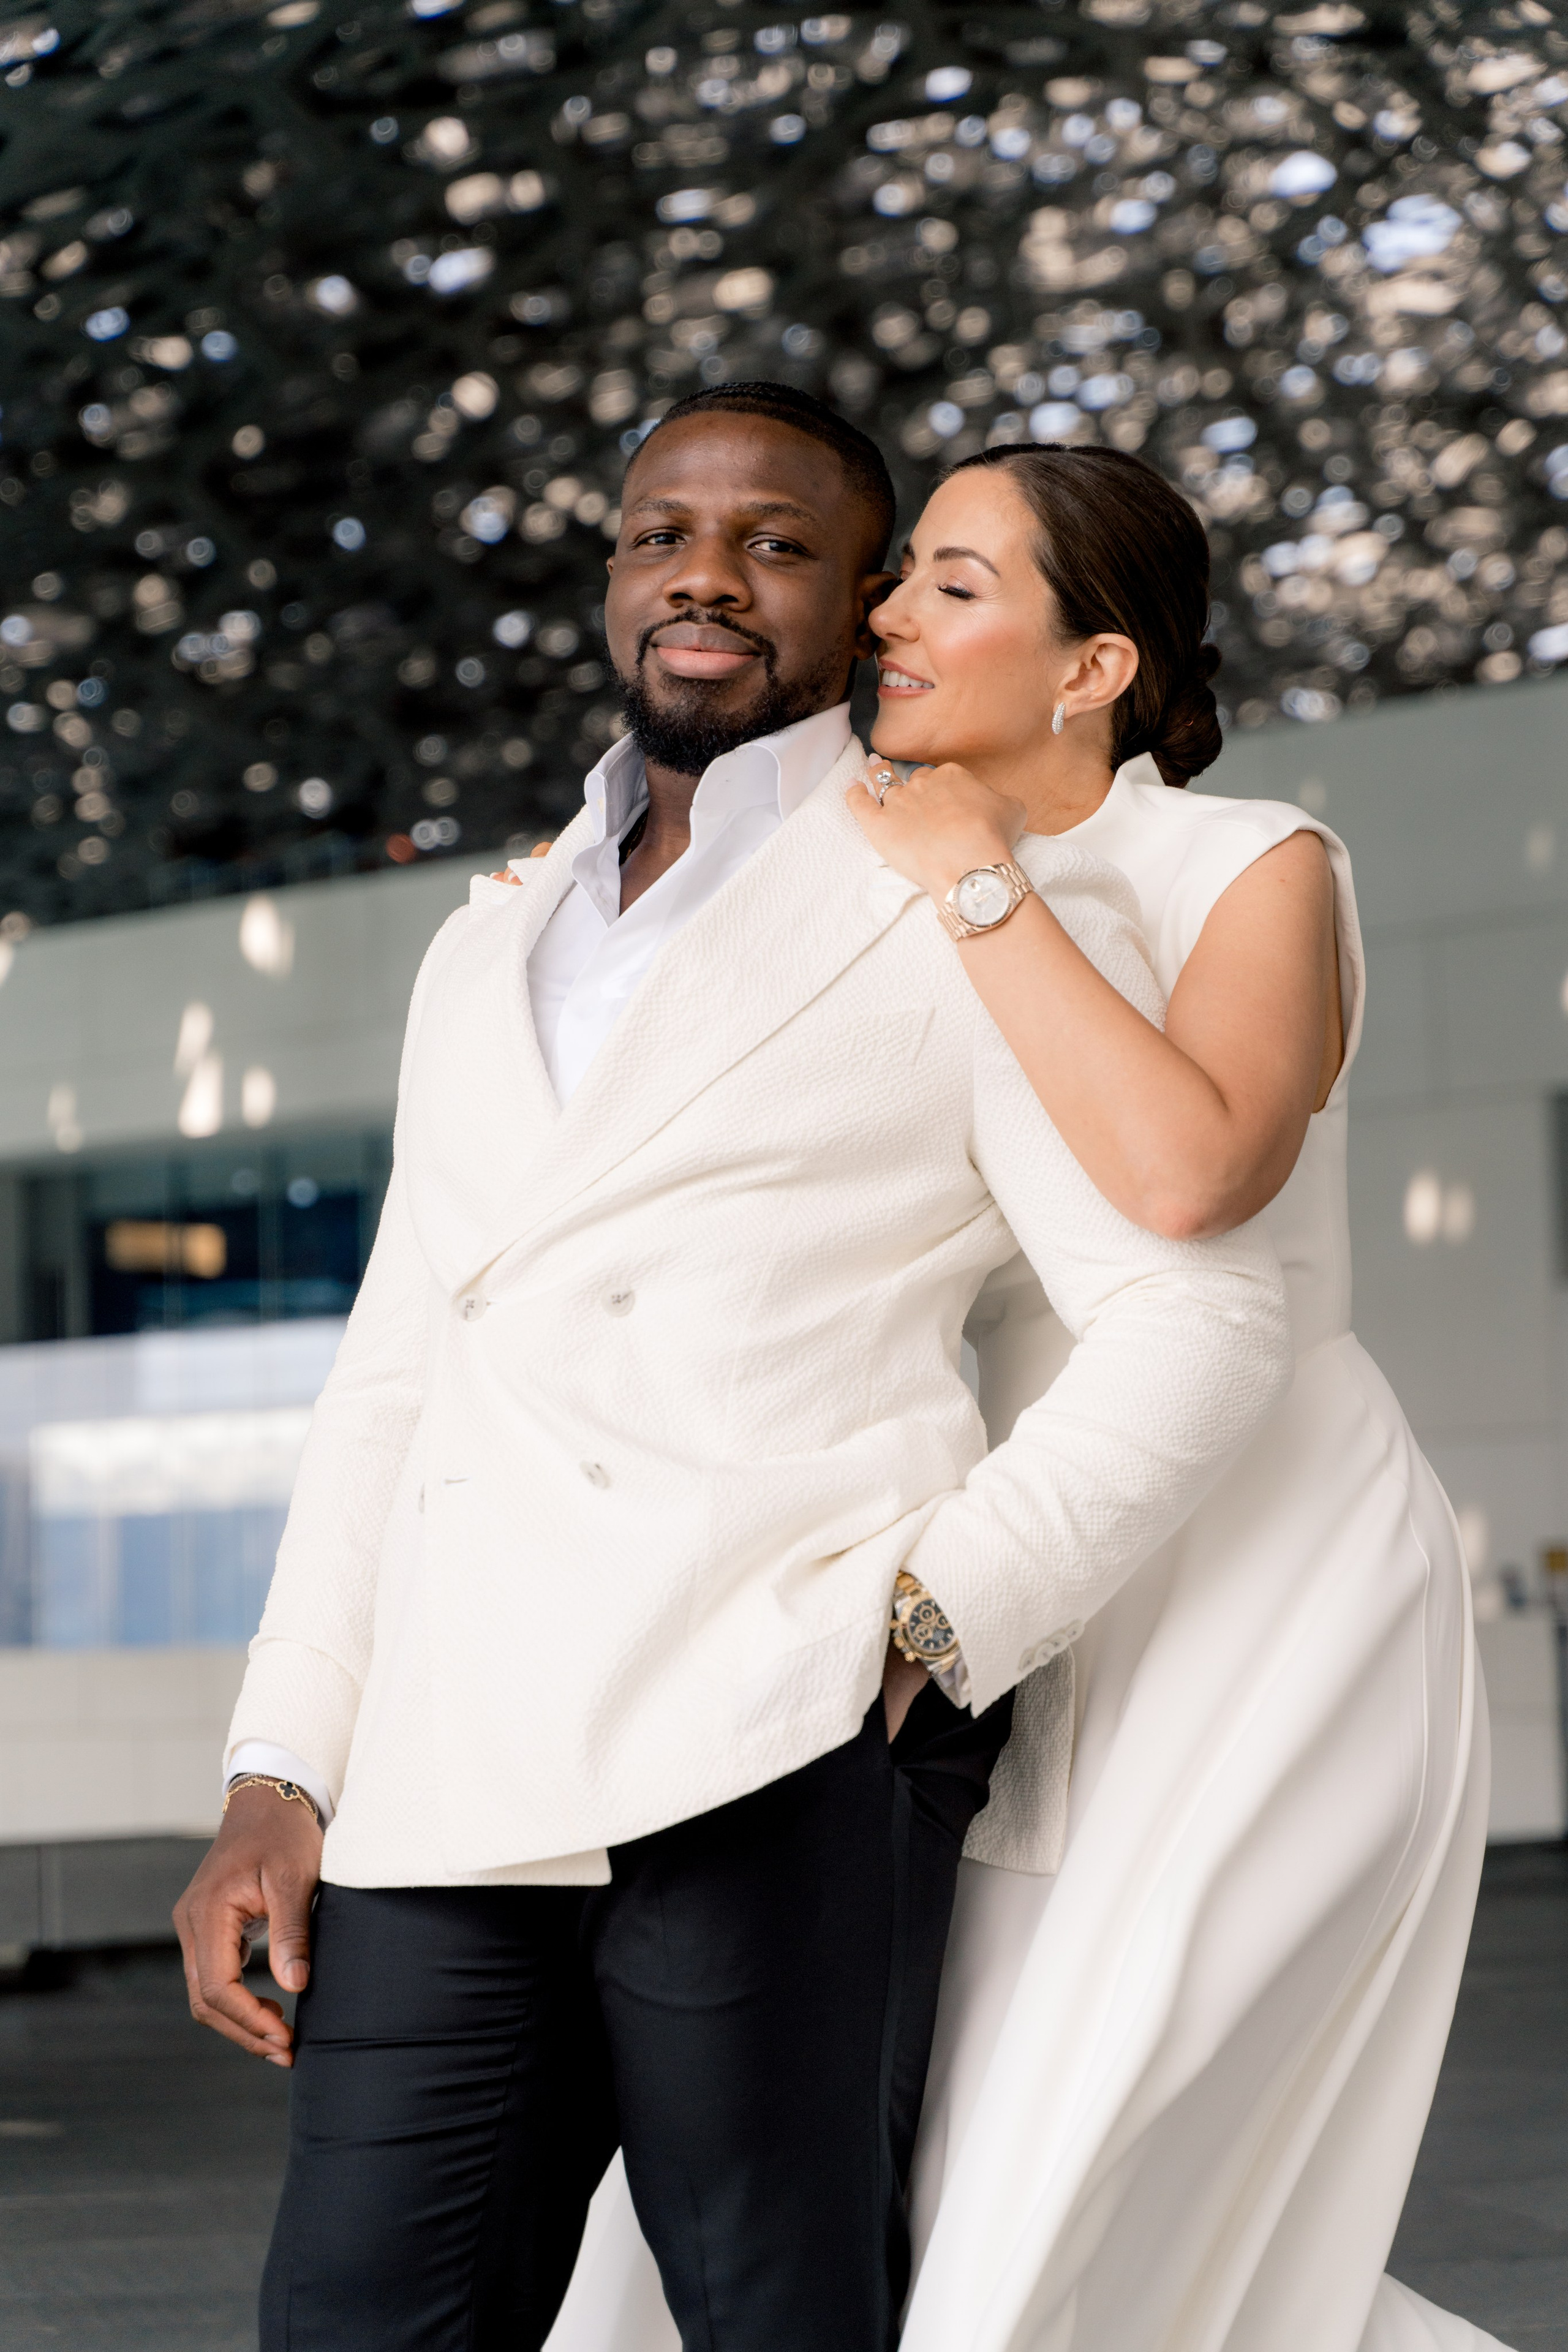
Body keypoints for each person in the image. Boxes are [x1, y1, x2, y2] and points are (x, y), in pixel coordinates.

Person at [173, 387, 1293, 2352]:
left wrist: (935, 1620)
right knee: (354, 2320)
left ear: (866, 600)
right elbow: (394, 1379)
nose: (703, 572)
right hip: (449, 1774)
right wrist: (281, 1768)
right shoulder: (486, 941)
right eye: (658, 535)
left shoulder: (961, 902)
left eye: (775, 542)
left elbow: (1201, 1315)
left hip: (770, 1743)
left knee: (781, 2319)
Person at [540, 448, 1505, 2352]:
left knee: (1084, 2164)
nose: (888, 615)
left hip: (1262, 1582)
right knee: (925, 2183)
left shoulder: (1252, 864)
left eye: (954, 586)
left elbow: (1186, 1181)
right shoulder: (846, 875)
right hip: (982, 1568)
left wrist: (974, 874)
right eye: (899, 578)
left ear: (1094, 667)